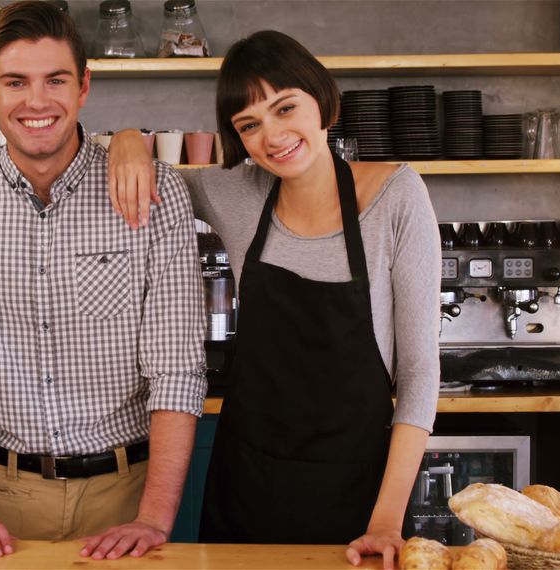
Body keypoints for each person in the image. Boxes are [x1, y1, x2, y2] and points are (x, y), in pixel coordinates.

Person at [107, 30, 440, 569]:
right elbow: (152, 178)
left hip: (360, 492)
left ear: (321, 100)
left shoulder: (397, 195)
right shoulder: (234, 192)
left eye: (285, 108)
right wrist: (124, 137)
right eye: (249, 125)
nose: (273, 136)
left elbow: (421, 375)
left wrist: (385, 520)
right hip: (248, 481)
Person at [0, 1, 206, 561]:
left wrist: (155, 520)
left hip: (128, 494)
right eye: (15, 82)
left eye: (56, 80)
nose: (37, 102)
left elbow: (177, 371)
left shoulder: (155, 195)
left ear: (84, 85)